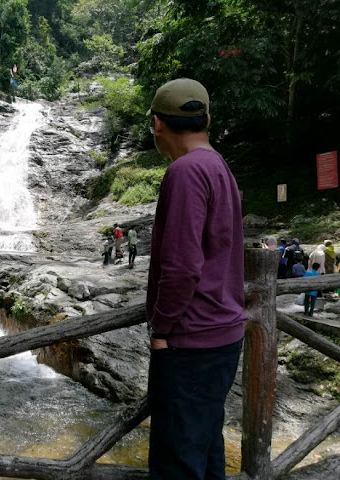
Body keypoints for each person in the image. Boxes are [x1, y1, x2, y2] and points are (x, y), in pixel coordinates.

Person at [145, 78, 246, 480]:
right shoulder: (218, 165)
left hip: (189, 339)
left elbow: (183, 265)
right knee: (204, 449)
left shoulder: (185, 171)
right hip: (222, 333)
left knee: (176, 461)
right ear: (206, 118)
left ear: (158, 124)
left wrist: (162, 328)